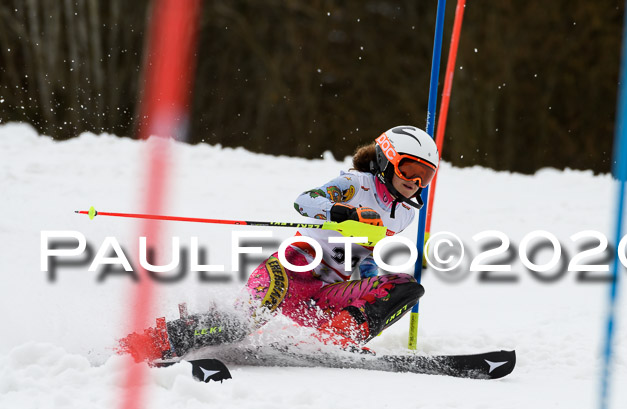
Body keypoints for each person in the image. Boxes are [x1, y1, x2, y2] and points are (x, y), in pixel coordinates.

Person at [119, 125, 440, 361]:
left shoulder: (404, 215)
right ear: (386, 160)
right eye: (409, 169)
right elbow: (305, 202)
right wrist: (345, 211)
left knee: (407, 287)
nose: (414, 183)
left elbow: (367, 258)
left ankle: (339, 337)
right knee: (236, 326)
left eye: (424, 177)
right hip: (289, 274)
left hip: (324, 296)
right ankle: (153, 341)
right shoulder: (355, 185)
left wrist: (373, 290)